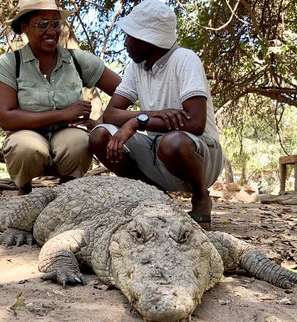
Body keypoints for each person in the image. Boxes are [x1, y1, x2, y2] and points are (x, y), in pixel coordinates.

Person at [88, 0, 225, 228]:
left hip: (199, 152)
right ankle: (157, 196)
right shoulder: (137, 67)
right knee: (99, 136)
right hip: (156, 148)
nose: (125, 43)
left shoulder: (184, 59)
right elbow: (111, 113)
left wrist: (136, 122)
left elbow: (195, 122)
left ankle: (200, 195)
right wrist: (144, 117)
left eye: (130, 37)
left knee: (173, 142)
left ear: (148, 39)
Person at [0, 0, 121, 195]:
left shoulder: (77, 60)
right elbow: (5, 118)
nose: (51, 31)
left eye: (56, 24)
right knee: (25, 148)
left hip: (67, 134)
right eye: (42, 24)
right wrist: (63, 114)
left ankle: (65, 194)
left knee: (80, 143)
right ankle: (24, 191)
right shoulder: (10, 63)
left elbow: (124, 91)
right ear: (24, 27)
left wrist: (101, 123)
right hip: (26, 133)